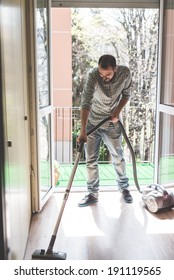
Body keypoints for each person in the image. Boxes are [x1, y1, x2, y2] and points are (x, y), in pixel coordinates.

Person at [77, 54, 133, 207]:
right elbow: (86, 101)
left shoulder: (125, 73)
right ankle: (92, 193)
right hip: (93, 123)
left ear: (115, 69)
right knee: (90, 160)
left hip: (113, 123)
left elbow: (126, 95)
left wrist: (117, 111)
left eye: (108, 74)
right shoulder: (93, 76)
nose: (104, 77)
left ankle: (124, 188)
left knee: (118, 157)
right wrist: (83, 130)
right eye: (102, 73)